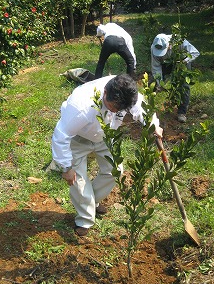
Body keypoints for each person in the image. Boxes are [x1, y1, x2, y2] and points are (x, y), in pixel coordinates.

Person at [51, 74, 163, 237]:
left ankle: (91, 202)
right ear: (104, 93)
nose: (116, 111)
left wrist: (154, 126)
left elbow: (142, 109)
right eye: (112, 108)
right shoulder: (80, 106)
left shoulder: (128, 93)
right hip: (78, 138)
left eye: (120, 110)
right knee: (77, 179)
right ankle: (84, 219)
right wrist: (66, 167)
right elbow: (61, 136)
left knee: (114, 169)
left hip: (106, 134)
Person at [151, 33, 200, 123]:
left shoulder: (180, 42)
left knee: (184, 86)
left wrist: (183, 61)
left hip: (182, 62)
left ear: (169, 44)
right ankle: (147, 107)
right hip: (167, 63)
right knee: (152, 84)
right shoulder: (154, 48)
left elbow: (195, 52)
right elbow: (156, 67)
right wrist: (159, 83)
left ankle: (182, 112)